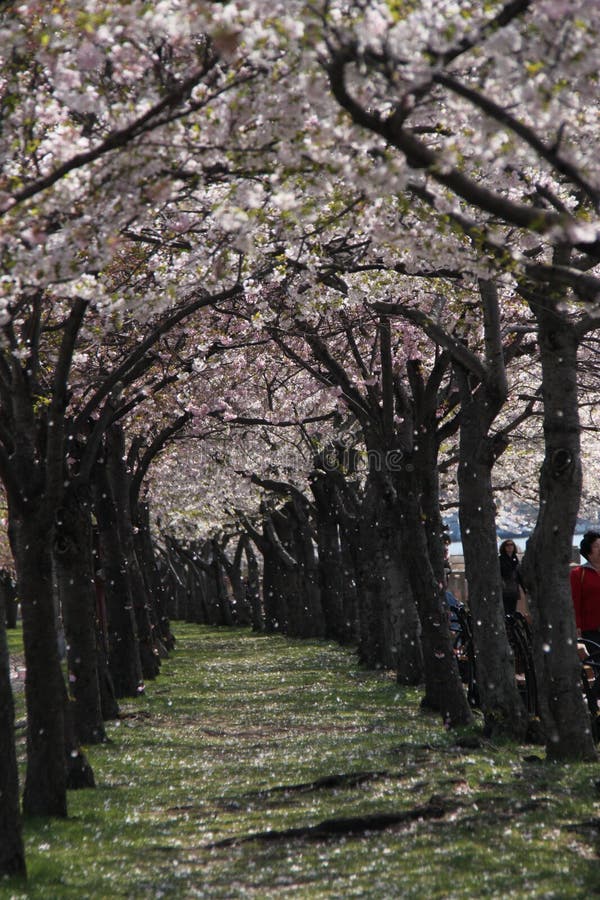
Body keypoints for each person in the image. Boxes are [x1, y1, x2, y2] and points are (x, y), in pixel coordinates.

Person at [570, 530, 600, 649]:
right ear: (588, 551)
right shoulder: (578, 574)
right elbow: (575, 601)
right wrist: (577, 625)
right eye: (596, 546)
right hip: (591, 630)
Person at [499, 539, 524, 616]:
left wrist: (523, 588)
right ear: (504, 547)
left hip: (514, 589)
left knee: (512, 610)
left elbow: (518, 574)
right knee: (506, 610)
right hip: (505, 589)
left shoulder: (515, 558)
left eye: (511, 545)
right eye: (507, 545)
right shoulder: (500, 559)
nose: (510, 547)